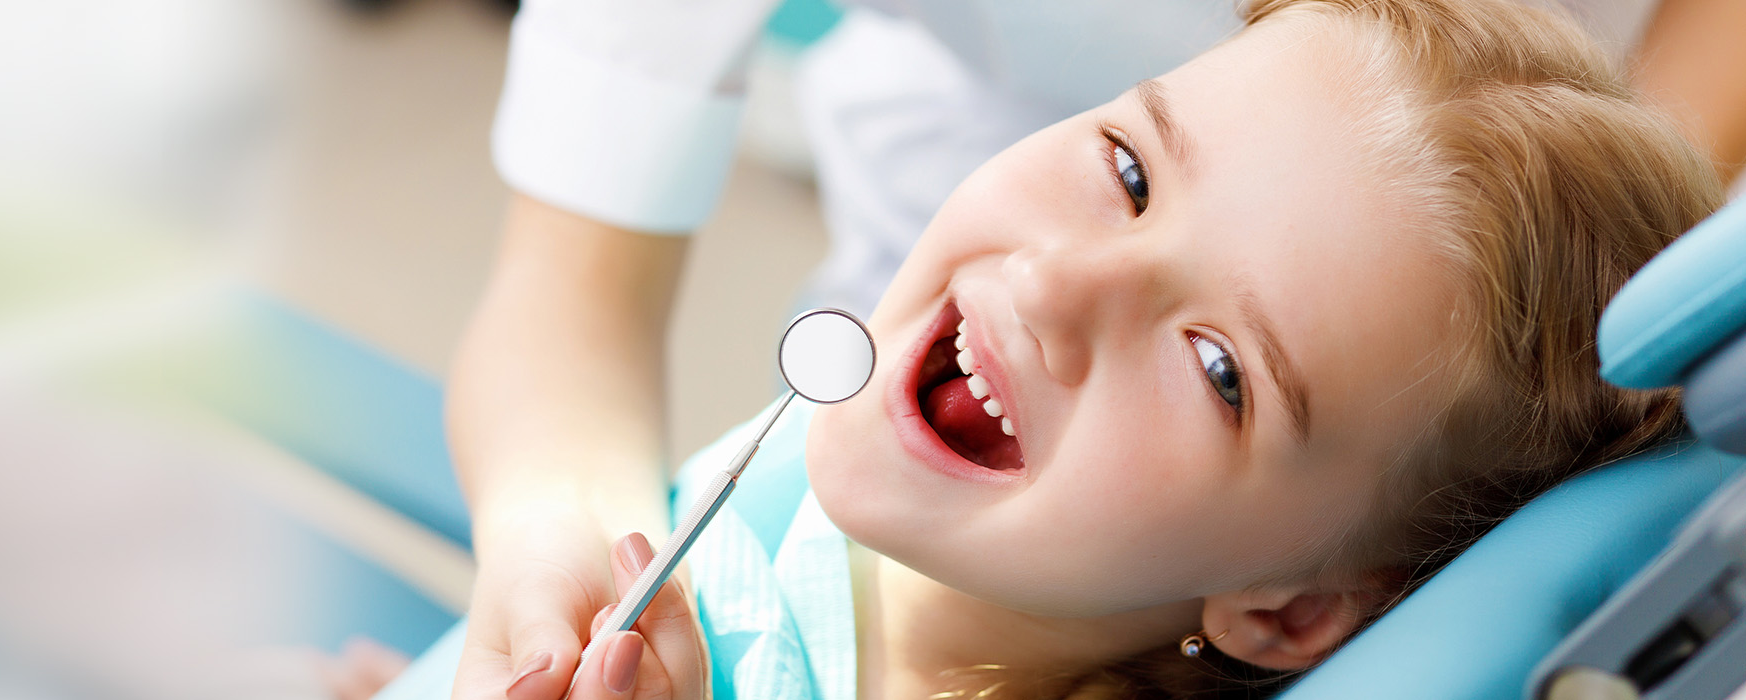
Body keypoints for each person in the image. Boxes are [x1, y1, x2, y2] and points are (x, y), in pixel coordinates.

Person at [444, 0, 1728, 698]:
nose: (1058, 284)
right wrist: (524, 585)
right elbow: (565, 296)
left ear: (1287, 608)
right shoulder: (808, 504)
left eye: (1222, 368)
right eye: (1125, 168)